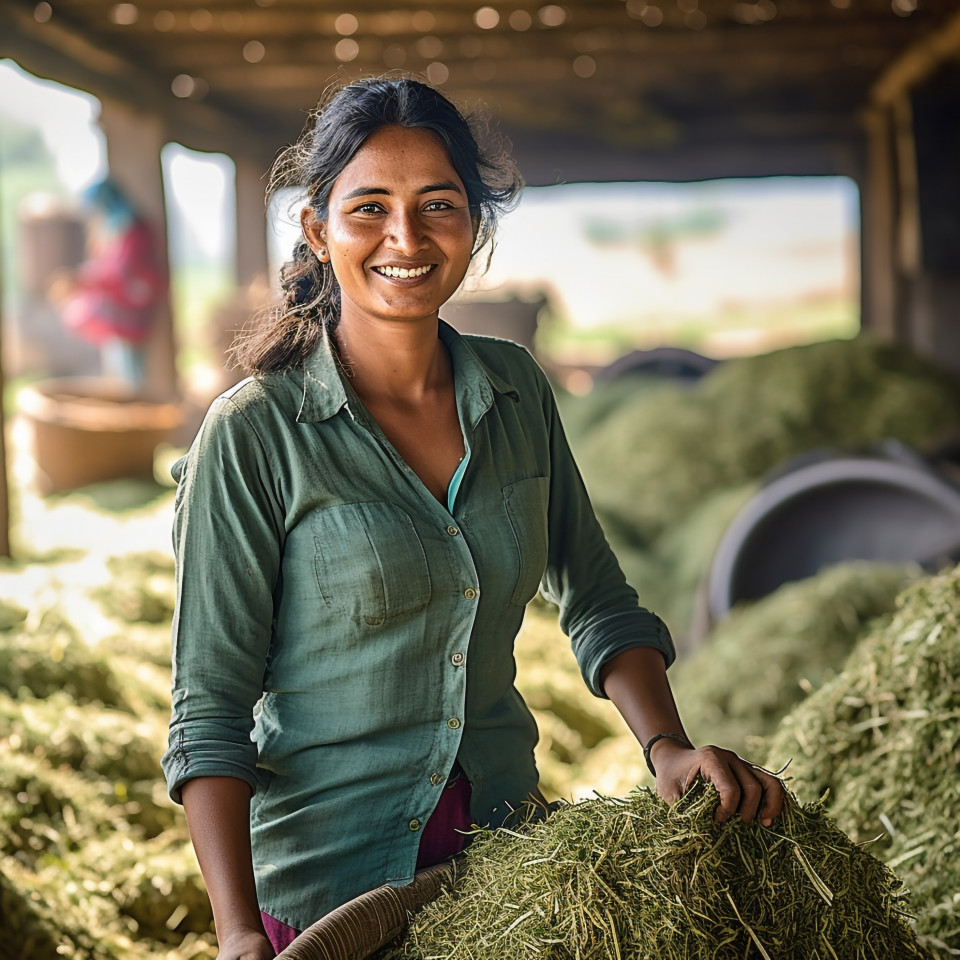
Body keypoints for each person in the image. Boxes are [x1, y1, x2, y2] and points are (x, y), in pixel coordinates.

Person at [162, 76, 784, 960]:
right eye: (369, 207)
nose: (405, 239)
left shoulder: (517, 390)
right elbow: (209, 707)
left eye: (438, 205)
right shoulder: (256, 434)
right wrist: (234, 934)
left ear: (475, 223)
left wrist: (668, 750)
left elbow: (598, 595)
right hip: (326, 890)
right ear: (318, 230)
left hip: (503, 868)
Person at [59, 178, 165, 387]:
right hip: (120, 307)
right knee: (122, 369)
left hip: (129, 309)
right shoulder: (115, 228)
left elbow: (123, 271)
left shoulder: (133, 229)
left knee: (131, 374)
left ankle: (136, 412)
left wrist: (88, 281)